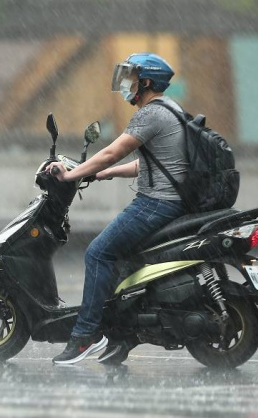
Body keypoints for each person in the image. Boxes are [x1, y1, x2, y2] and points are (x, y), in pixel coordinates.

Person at [44, 53, 188, 364]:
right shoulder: (172, 110)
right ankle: (122, 336)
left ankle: (86, 336)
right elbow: (150, 164)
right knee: (123, 264)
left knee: (98, 253)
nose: (126, 85)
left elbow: (112, 151)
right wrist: (103, 173)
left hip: (156, 203)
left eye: (132, 79)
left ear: (146, 83)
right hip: (171, 201)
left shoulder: (150, 114)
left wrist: (71, 174)